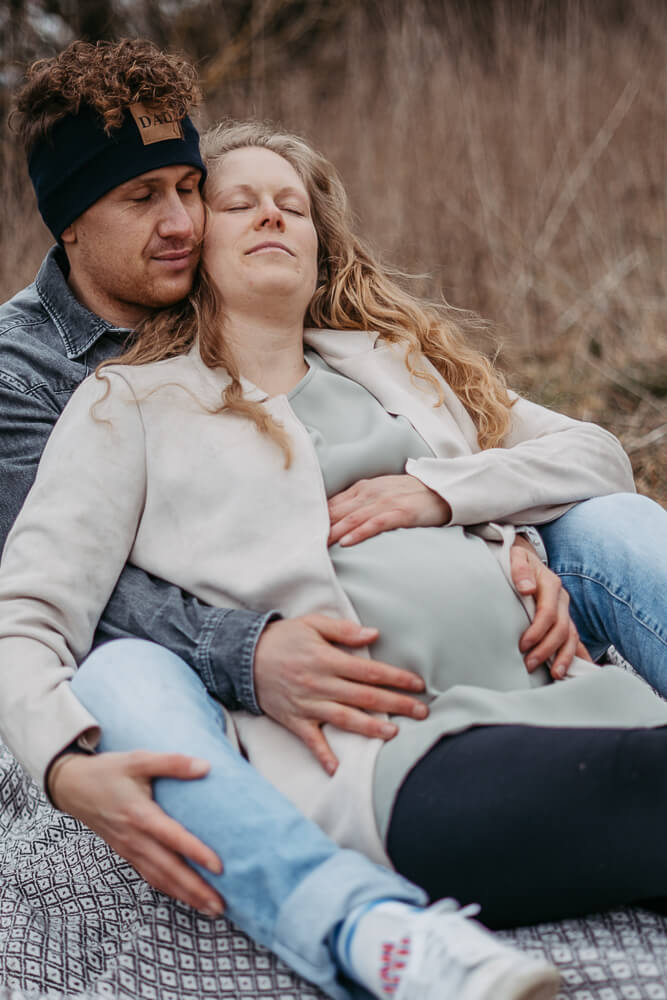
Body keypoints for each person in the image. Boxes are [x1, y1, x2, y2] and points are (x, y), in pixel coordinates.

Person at [2, 99, 667, 946]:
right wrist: (71, 755)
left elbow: (591, 456)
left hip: (556, 697)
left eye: (292, 204)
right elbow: (38, 606)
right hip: (394, 750)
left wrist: (463, 504)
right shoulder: (127, 403)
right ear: (195, 253)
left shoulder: (396, 366)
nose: (271, 213)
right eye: (237, 202)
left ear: (322, 248)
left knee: (614, 548)